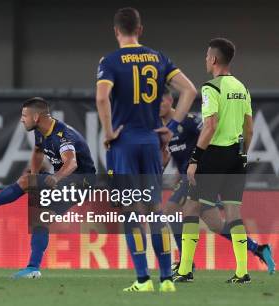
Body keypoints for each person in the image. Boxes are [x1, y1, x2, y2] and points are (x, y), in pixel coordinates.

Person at [95, 7, 197, 292]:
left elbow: (102, 98)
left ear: (116, 31)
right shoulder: (159, 58)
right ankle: (166, 279)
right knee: (154, 210)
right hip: (152, 141)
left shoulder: (111, 61)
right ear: (140, 29)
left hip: (124, 143)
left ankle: (143, 279)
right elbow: (189, 90)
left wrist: (108, 131)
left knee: (130, 211)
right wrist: (173, 127)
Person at [0, 97, 96, 279]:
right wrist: (35, 178)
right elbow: (37, 151)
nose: (21, 119)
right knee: (41, 217)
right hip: (67, 180)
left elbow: (72, 163)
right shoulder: (41, 131)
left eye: (24, 115)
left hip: (81, 182)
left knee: (27, 187)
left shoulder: (62, 135)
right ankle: (33, 269)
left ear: (36, 117)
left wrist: (54, 177)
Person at [160, 91, 275, 279]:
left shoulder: (188, 121)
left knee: (171, 208)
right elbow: (174, 153)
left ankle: (186, 264)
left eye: (161, 99)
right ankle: (259, 249)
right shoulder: (161, 128)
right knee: (216, 225)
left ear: (171, 100)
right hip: (187, 178)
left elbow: (210, 136)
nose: (157, 105)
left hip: (200, 175)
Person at [174, 38, 255, 284]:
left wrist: (195, 158)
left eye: (207, 56)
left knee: (190, 208)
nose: (206, 59)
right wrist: (243, 154)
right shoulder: (242, 88)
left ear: (214, 59)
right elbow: (249, 128)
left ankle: (185, 269)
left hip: (214, 156)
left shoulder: (211, 88)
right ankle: (242, 272)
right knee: (233, 212)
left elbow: (210, 126)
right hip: (236, 155)